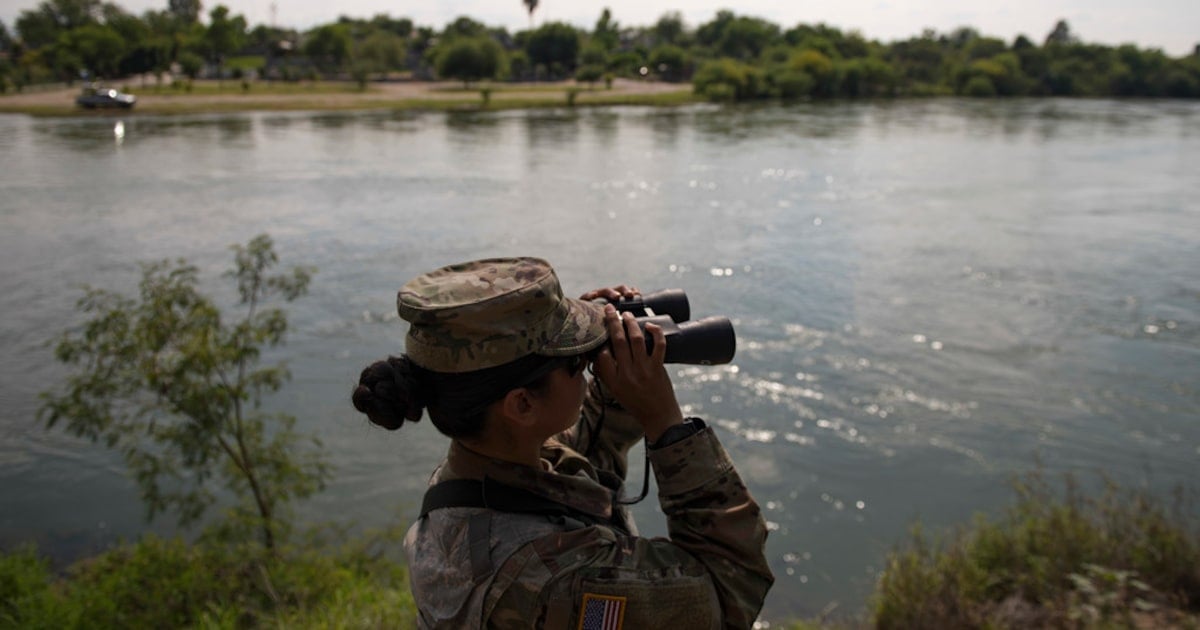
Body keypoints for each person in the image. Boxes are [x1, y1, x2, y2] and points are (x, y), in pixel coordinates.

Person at [352, 257, 773, 629]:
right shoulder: (558, 578)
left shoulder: (477, 475)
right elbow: (729, 594)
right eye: (577, 363)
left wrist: (614, 379)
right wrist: (667, 425)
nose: (588, 367)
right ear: (521, 404)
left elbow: (584, 469)